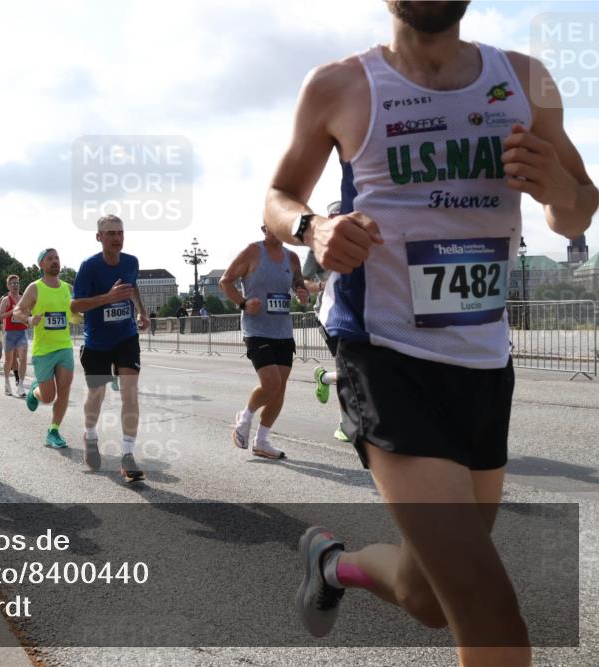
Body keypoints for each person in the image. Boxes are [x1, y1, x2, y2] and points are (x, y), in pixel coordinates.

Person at [267, 2, 596, 663]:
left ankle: (333, 565)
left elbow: (578, 209)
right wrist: (315, 228)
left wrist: (558, 184)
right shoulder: (339, 85)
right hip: (381, 355)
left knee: (427, 596)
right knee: (486, 603)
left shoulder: (525, 80)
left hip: (482, 363)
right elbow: (277, 197)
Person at [71, 214, 150, 482]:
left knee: (130, 393)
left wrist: (141, 311)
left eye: (120, 232)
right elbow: (74, 306)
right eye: (111, 233)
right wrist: (107, 298)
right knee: (97, 395)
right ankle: (90, 435)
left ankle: (127, 455)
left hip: (126, 336)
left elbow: (133, 287)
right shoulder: (89, 267)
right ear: (99, 237)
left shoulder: (131, 262)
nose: (117, 238)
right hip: (97, 341)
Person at [220, 225, 308, 459]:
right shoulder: (252, 252)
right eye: (272, 226)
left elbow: (299, 283)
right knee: (271, 383)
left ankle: (261, 441)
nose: (277, 231)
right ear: (264, 228)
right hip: (256, 329)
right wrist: (243, 303)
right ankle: (245, 417)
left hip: (283, 331)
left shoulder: (292, 257)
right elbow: (226, 281)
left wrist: (302, 292)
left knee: (280, 389)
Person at [13, 248, 77, 449]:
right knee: (49, 397)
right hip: (43, 351)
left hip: (64, 347)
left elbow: (74, 314)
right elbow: (17, 311)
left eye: (57, 257)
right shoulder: (35, 287)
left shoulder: (68, 288)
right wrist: (29, 318)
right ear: (41, 264)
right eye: (50, 259)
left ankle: (54, 430)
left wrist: (84, 317)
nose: (55, 261)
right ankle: (35, 392)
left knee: (65, 390)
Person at [305, 202, 351, 443]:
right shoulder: (319, 245)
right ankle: (345, 424)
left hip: (356, 315)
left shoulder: (358, 237)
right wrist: (325, 285)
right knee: (349, 369)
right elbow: (302, 282)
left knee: (358, 369)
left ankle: (323, 377)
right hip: (328, 316)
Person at [0, 275, 29, 396]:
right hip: (9, 333)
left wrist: (27, 318)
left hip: (22, 332)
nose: (15, 286)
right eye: (13, 284)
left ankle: (20, 385)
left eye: (17, 283)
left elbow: (27, 313)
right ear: (8, 286)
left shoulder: (23, 298)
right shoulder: (6, 300)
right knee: (9, 360)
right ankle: (6, 383)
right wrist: (12, 312)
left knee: (23, 358)